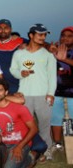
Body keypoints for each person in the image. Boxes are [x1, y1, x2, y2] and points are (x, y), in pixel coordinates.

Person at [10, 24, 57, 160]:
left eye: (44, 35)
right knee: (26, 125)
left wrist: (51, 93)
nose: (43, 37)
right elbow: (13, 70)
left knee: (44, 124)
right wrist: (21, 73)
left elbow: (52, 76)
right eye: (39, 34)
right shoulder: (19, 53)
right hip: (24, 94)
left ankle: (46, 151)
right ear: (31, 35)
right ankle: (28, 149)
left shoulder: (49, 54)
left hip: (43, 95)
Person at [50, 26, 73, 154]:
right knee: (56, 119)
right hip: (56, 92)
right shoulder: (54, 50)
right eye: (63, 35)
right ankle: (58, 144)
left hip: (72, 92)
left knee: (70, 119)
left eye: (69, 36)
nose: (65, 38)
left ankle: (70, 143)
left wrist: (63, 59)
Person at [0, 19, 27, 94]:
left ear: (11, 30)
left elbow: (38, 45)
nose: (3, 30)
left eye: (6, 28)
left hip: (17, 83)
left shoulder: (20, 41)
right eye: (0, 28)